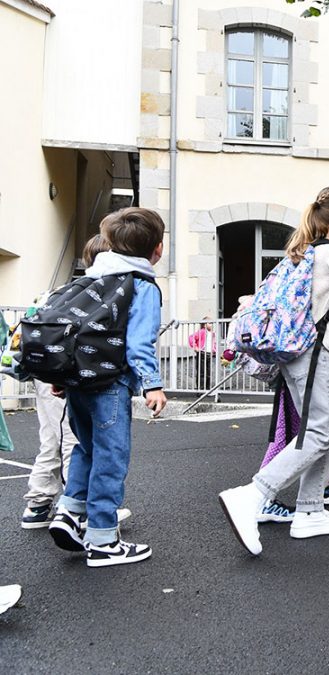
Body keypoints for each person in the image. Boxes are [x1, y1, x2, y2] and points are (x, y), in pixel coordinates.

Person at [219, 186, 329, 555]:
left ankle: (311, 510)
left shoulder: (304, 254)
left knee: (324, 430)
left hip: (294, 356)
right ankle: (253, 495)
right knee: (320, 431)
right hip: (316, 354)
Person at [47, 208, 167, 567]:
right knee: (111, 459)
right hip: (110, 386)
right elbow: (139, 344)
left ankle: (69, 512)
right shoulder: (142, 286)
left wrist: (59, 377)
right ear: (157, 250)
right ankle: (103, 540)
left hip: (76, 384)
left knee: (86, 449)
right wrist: (152, 386)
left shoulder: (89, 279)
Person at [21, 235, 133, 530]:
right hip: (72, 372)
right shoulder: (99, 291)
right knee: (75, 441)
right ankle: (76, 510)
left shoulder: (63, 291)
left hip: (47, 371)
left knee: (52, 436)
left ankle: (40, 504)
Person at [188, 318, 217, 390]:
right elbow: (191, 337)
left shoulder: (213, 333)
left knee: (208, 373)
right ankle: (200, 390)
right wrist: (195, 347)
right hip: (202, 354)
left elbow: (214, 344)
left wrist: (214, 351)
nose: (211, 324)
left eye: (212, 323)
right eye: (210, 323)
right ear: (204, 325)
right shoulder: (202, 332)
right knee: (201, 373)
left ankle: (207, 389)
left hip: (209, 354)